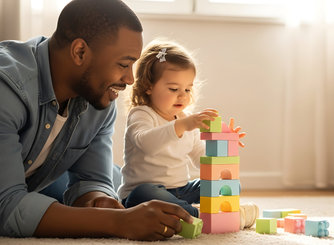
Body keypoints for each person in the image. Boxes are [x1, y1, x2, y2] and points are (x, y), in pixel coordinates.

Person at [0, 0, 192, 241]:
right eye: (123, 64)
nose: (131, 79)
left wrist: (99, 201)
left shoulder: (98, 101)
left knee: (115, 179)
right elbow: (6, 207)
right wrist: (118, 222)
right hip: (17, 183)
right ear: (79, 51)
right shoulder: (7, 89)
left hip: (42, 177)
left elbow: (92, 179)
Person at [117, 39, 259, 230]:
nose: (183, 95)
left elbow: (202, 160)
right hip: (142, 193)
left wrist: (225, 143)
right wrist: (182, 125)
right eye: (174, 89)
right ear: (148, 86)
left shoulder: (185, 120)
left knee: (227, 183)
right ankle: (203, 217)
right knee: (146, 193)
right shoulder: (142, 114)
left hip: (181, 191)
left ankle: (197, 212)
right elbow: (146, 143)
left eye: (187, 89)